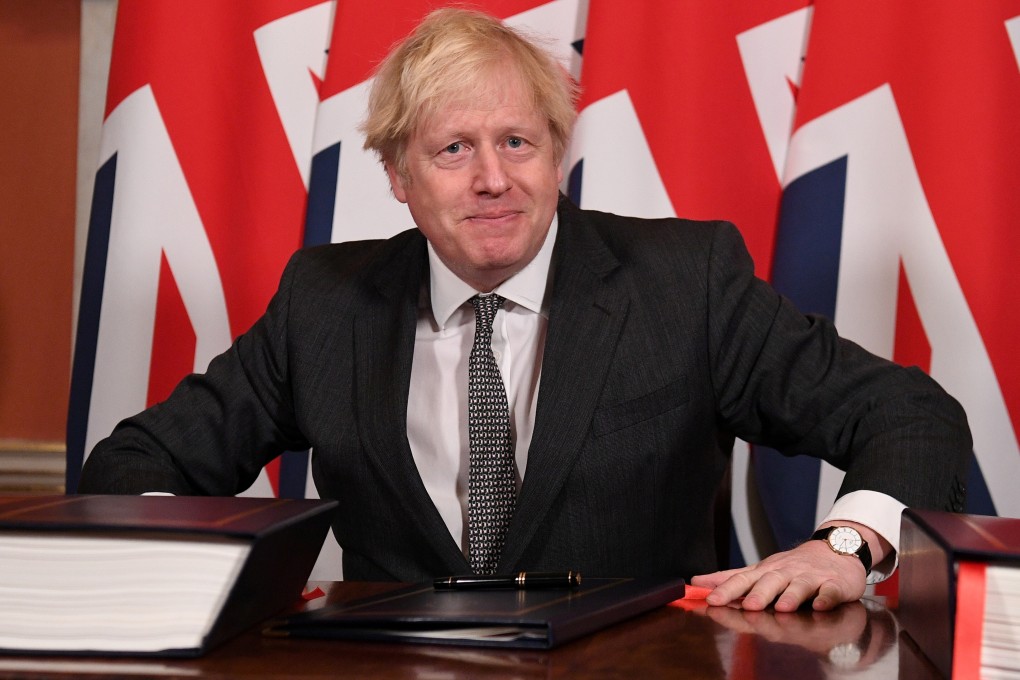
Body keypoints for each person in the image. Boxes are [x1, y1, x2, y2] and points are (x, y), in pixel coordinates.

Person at [78, 8, 971, 612]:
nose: (494, 178)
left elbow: (910, 416)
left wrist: (847, 547)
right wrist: (244, 585)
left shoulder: (683, 280)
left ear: (557, 155)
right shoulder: (326, 302)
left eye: (517, 142)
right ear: (397, 175)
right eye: (454, 149)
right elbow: (132, 466)